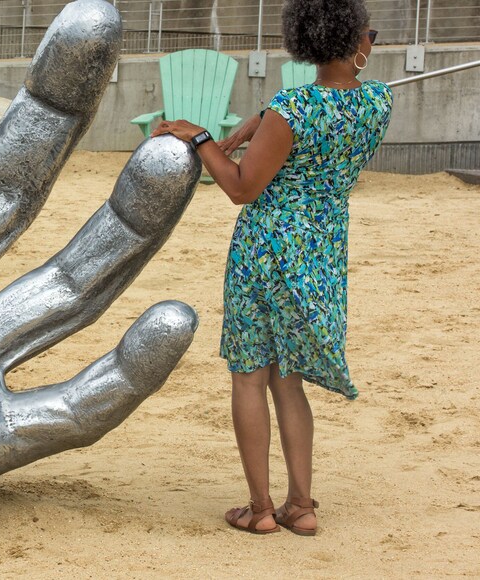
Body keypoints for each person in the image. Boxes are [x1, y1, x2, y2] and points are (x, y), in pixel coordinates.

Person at [150, 0, 392, 535]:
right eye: (369, 34)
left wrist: (200, 137)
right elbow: (309, 109)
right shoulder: (378, 103)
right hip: (321, 255)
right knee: (290, 379)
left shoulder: (293, 110)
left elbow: (240, 187)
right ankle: (300, 506)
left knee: (249, 375)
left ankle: (261, 511)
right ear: (355, 44)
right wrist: (260, 120)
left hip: (266, 254)